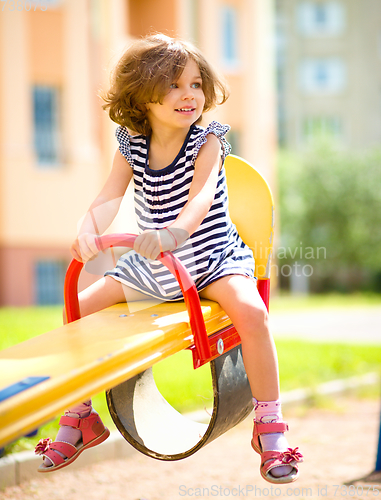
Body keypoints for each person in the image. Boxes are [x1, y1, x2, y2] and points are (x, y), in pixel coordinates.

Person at [34, 34, 303, 483]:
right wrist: (87, 230)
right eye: (174, 85)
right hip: (155, 264)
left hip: (210, 257)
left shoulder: (208, 142)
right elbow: (108, 196)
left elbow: (199, 199)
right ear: (143, 95)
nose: (189, 95)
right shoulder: (132, 143)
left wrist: (174, 231)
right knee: (76, 313)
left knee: (252, 313)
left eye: (196, 84)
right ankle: (79, 415)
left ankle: (269, 425)